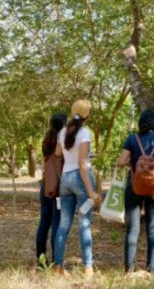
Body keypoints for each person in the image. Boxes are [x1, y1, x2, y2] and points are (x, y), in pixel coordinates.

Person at [116, 109, 154, 274]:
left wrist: (134, 166)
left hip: (134, 187)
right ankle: (151, 270)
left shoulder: (132, 139)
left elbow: (120, 162)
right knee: (153, 230)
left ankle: (129, 269)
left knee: (132, 230)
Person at [52, 99, 101, 277]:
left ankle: (57, 266)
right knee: (84, 224)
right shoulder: (85, 133)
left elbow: (58, 154)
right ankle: (87, 268)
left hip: (65, 180)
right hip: (81, 180)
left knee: (63, 225)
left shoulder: (63, 132)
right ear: (88, 115)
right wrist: (91, 191)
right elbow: (82, 163)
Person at [35, 113, 66, 266]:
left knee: (44, 223)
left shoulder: (47, 139)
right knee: (56, 222)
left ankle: (41, 260)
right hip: (58, 186)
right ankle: (56, 261)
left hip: (46, 184)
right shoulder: (63, 140)